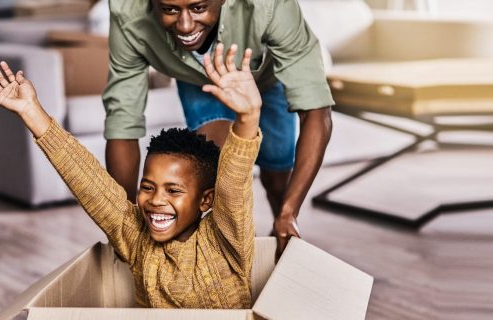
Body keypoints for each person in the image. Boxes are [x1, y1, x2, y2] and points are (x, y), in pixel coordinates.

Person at [0, 46, 262, 308]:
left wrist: (248, 117)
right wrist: (32, 111)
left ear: (205, 200)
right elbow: (90, 183)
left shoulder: (226, 238)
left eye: (173, 191)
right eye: (147, 187)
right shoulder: (137, 238)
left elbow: (234, 184)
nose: (155, 200)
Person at [102, 0, 334, 258]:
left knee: (277, 180)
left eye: (199, 8)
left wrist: (288, 213)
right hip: (198, 80)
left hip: (267, 80)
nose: (186, 25)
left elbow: (316, 109)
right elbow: (122, 122)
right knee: (214, 169)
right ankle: (208, 263)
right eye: (170, 9)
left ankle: (283, 234)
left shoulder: (270, 5)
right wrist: (124, 223)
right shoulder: (127, 12)